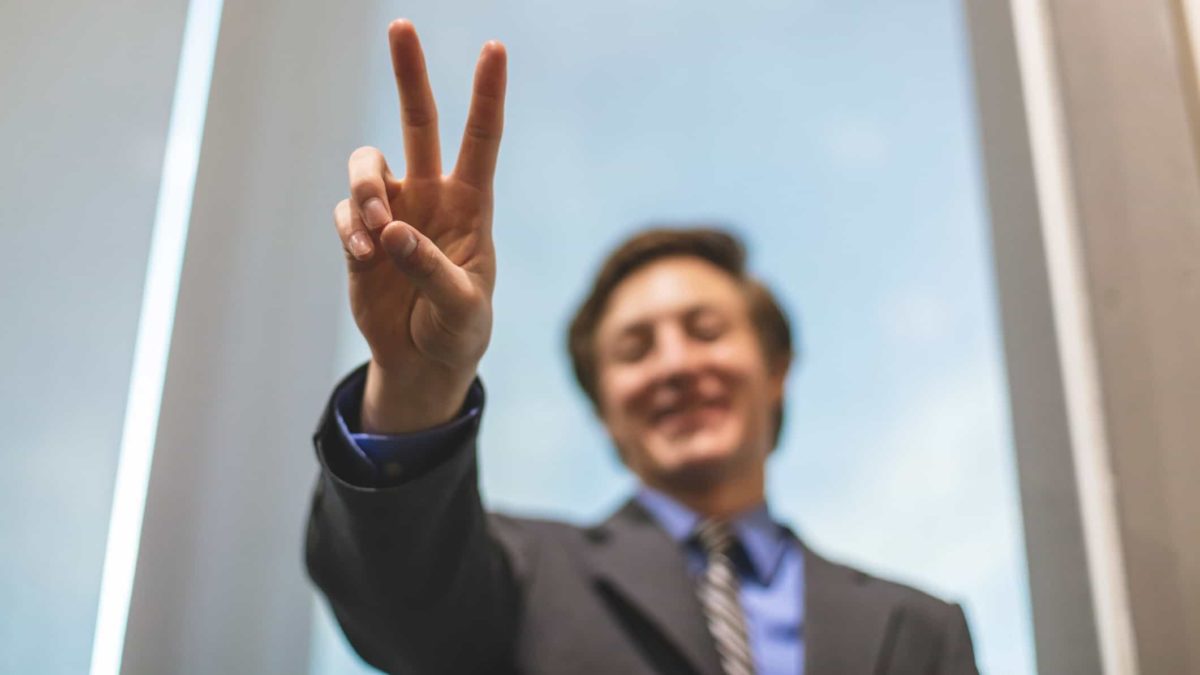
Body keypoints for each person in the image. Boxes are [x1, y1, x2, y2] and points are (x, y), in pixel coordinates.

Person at [306, 19, 979, 675]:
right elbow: (400, 602)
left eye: (707, 330)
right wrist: (416, 385)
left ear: (775, 368)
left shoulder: (920, 627)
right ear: (603, 408)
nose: (678, 365)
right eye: (635, 349)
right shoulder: (519, 576)